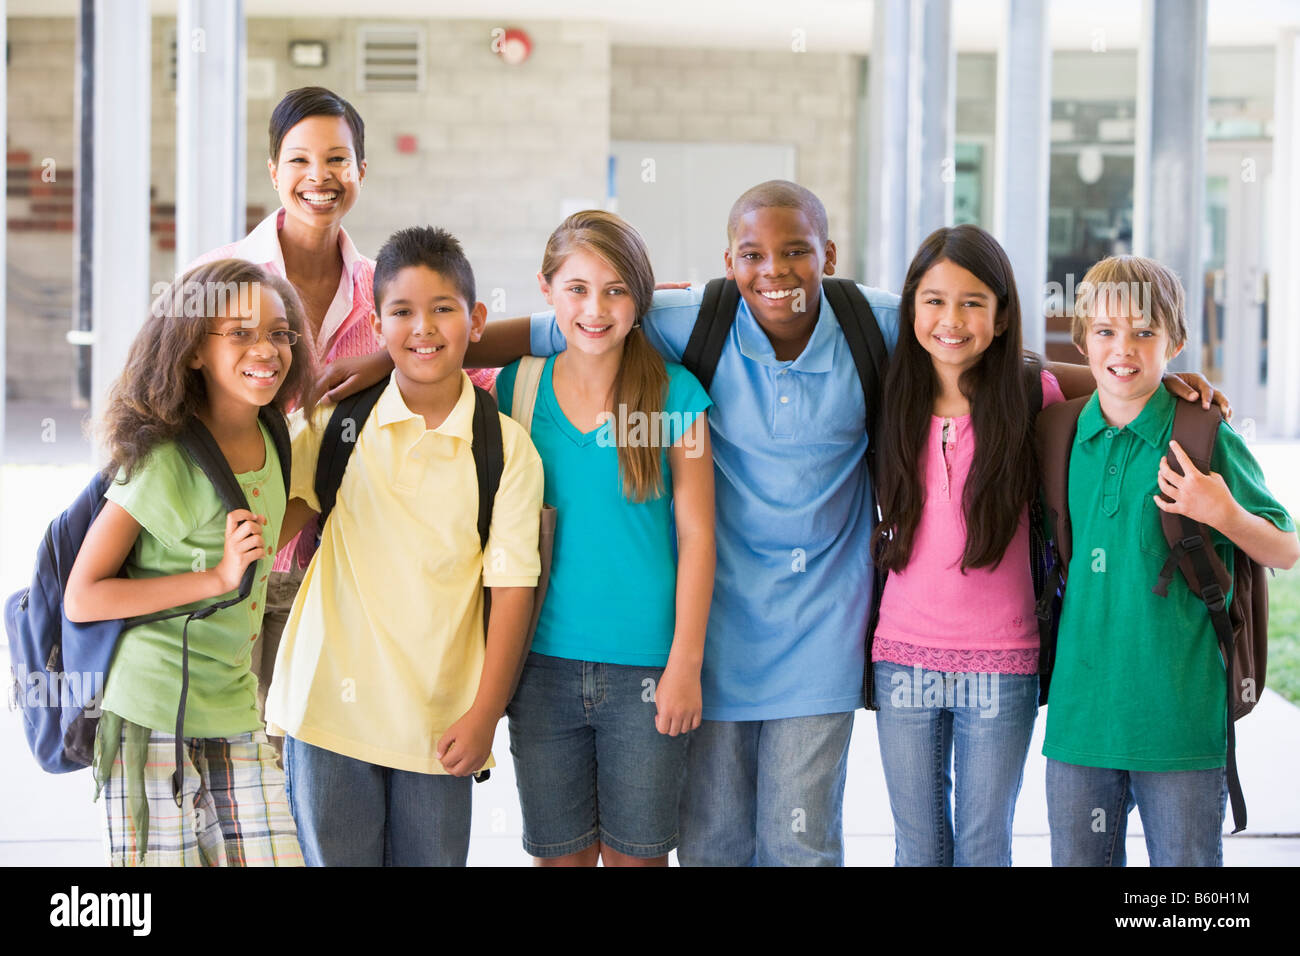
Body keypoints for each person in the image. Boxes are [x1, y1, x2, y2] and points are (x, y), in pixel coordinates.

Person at [319, 179, 1227, 866]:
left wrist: (1149, 384)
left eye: (796, 252)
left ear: (828, 257)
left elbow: (995, 352)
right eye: (753, 254)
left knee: (798, 838)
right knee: (711, 838)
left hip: (823, 633)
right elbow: (551, 326)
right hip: (712, 634)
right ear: (728, 262)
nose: (776, 272)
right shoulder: (692, 321)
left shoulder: (873, 323)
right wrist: (393, 355)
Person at [188, 86, 496, 741]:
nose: (319, 177)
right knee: (227, 778)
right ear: (273, 171)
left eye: (338, 159)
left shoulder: (385, 289)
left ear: (361, 170)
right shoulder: (217, 279)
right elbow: (159, 407)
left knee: (310, 786)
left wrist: (605, 327)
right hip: (226, 568)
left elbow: (465, 360)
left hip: (339, 581)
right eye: (299, 160)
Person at [266, 226, 543, 866]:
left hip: (438, 730)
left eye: (443, 309)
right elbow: (274, 522)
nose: (424, 328)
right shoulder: (336, 421)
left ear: (475, 319)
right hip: (326, 712)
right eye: (403, 312)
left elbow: (511, 596)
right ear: (378, 324)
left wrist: (485, 715)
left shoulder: (505, 449)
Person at [1043, 255, 1299, 867]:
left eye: (1144, 332)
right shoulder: (1055, 433)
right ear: (1083, 341)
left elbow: (1286, 549)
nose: (1123, 348)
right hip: (1080, 718)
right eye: (1105, 332)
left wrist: (1225, 515)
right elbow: (1011, 371)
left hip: (1180, 720)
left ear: (1176, 343)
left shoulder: (1204, 435)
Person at [63, 259, 315, 866]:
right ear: (194, 349)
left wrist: (322, 502)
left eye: (280, 333)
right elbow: (84, 595)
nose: (268, 349)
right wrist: (217, 579)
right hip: (150, 713)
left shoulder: (273, 434)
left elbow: (250, 535)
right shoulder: (167, 460)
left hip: (231, 701)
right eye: (240, 333)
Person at [495, 210, 715, 867]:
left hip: (648, 672)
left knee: (635, 859)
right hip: (540, 669)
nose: (596, 308)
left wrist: (686, 663)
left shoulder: (676, 396)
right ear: (546, 290)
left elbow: (699, 536)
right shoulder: (518, 389)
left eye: (617, 290)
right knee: (560, 857)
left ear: (640, 300)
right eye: (578, 289)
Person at [869, 225, 1064, 866]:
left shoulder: (1034, 398)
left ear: (1003, 317)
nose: (951, 319)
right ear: (911, 307)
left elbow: (1119, 384)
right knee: (918, 847)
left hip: (1003, 662)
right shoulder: (887, 393)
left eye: (973, 302)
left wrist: (1176, 383)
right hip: (903, 657)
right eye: (934, 300)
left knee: (984, 846)